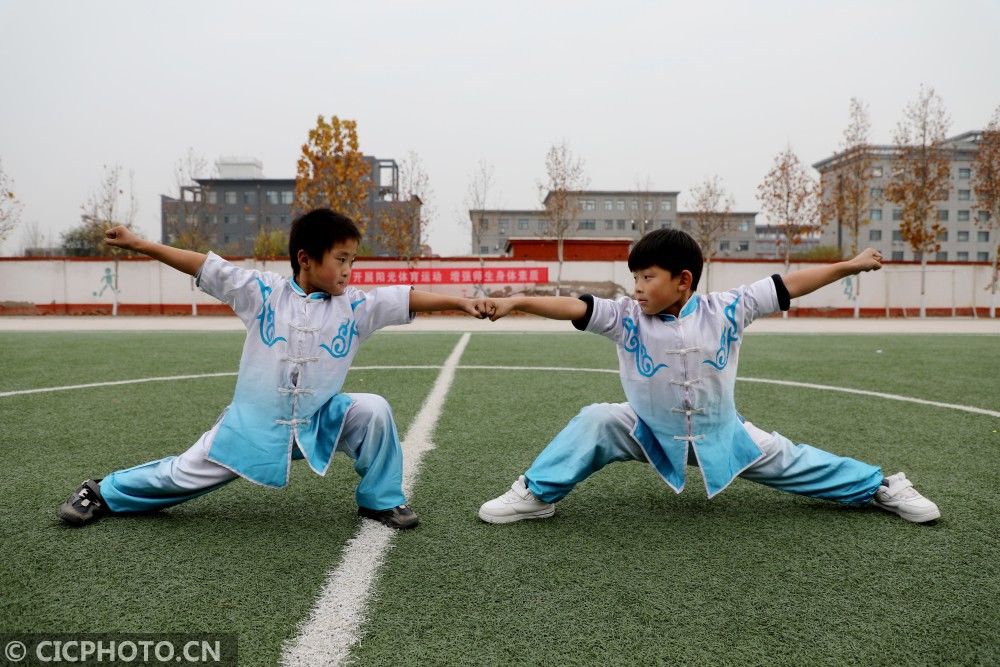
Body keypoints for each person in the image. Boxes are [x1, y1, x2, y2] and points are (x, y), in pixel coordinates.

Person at [478, 228, 940, 525]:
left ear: (683, 280)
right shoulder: (624, 317)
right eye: (634, 277)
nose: (636, 288)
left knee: (795, 461)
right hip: (646, 432)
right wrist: (518, 301)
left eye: (647, 277)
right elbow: (574, 306)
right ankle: (537, 494)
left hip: (722, 435)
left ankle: (880, 488)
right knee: (598, 419)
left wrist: (849, 265)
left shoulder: (728, 309)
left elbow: (789, 284)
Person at [59, 208, 486, 530]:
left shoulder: (355, 307)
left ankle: (380, 498)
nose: (348, 270)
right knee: (178, 477)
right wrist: (141, 244)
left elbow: (407, 297)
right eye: (341, 259)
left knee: (372, 409)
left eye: (353, 260)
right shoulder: (262, 293)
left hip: (318, 424)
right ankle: (103, 491)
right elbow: (204, 266)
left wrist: (462, 302)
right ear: (305, 258)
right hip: (252, 430)